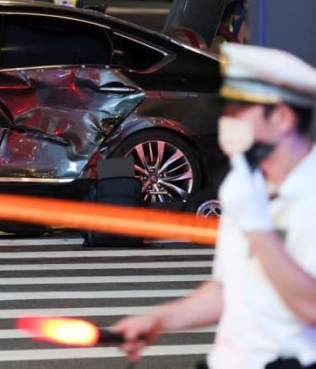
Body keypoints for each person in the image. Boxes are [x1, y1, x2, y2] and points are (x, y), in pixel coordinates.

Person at [114, 42, 316, 369]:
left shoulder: (306, 195)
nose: (227, 121)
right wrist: (160, 319)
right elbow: (229, 289)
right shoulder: (248, 187)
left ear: (280, 117)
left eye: (239, 111)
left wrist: (258, 227)